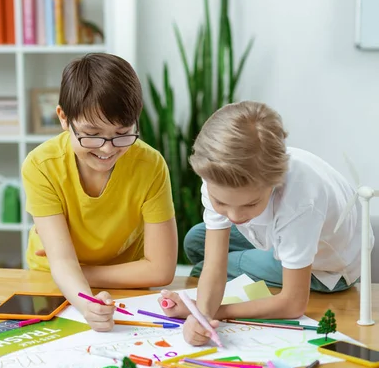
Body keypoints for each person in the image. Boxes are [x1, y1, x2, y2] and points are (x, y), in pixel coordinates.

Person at [158, 100, 371, 346]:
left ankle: (268, 259)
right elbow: (215, 266)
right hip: (283, 234)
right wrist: (203, 312)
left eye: (250, 204)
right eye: (221, 202)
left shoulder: (300, 202)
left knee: (203, 267)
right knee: (196, 241)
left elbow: (292, 304)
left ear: (275, 182)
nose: (235, 216)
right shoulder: (217, 174)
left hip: (329, 271)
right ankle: (264, 250)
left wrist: (210, 312)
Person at [21, 53, 178, 332]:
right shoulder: (41, 165)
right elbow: (61, 261)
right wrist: (86, 302)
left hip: (115, 281)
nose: (107, 149)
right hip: (56, 282)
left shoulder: (150, 165)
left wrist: (75, 270)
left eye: (122, 133)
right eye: (91, 134)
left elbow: (161, 270)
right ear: (64, 119)